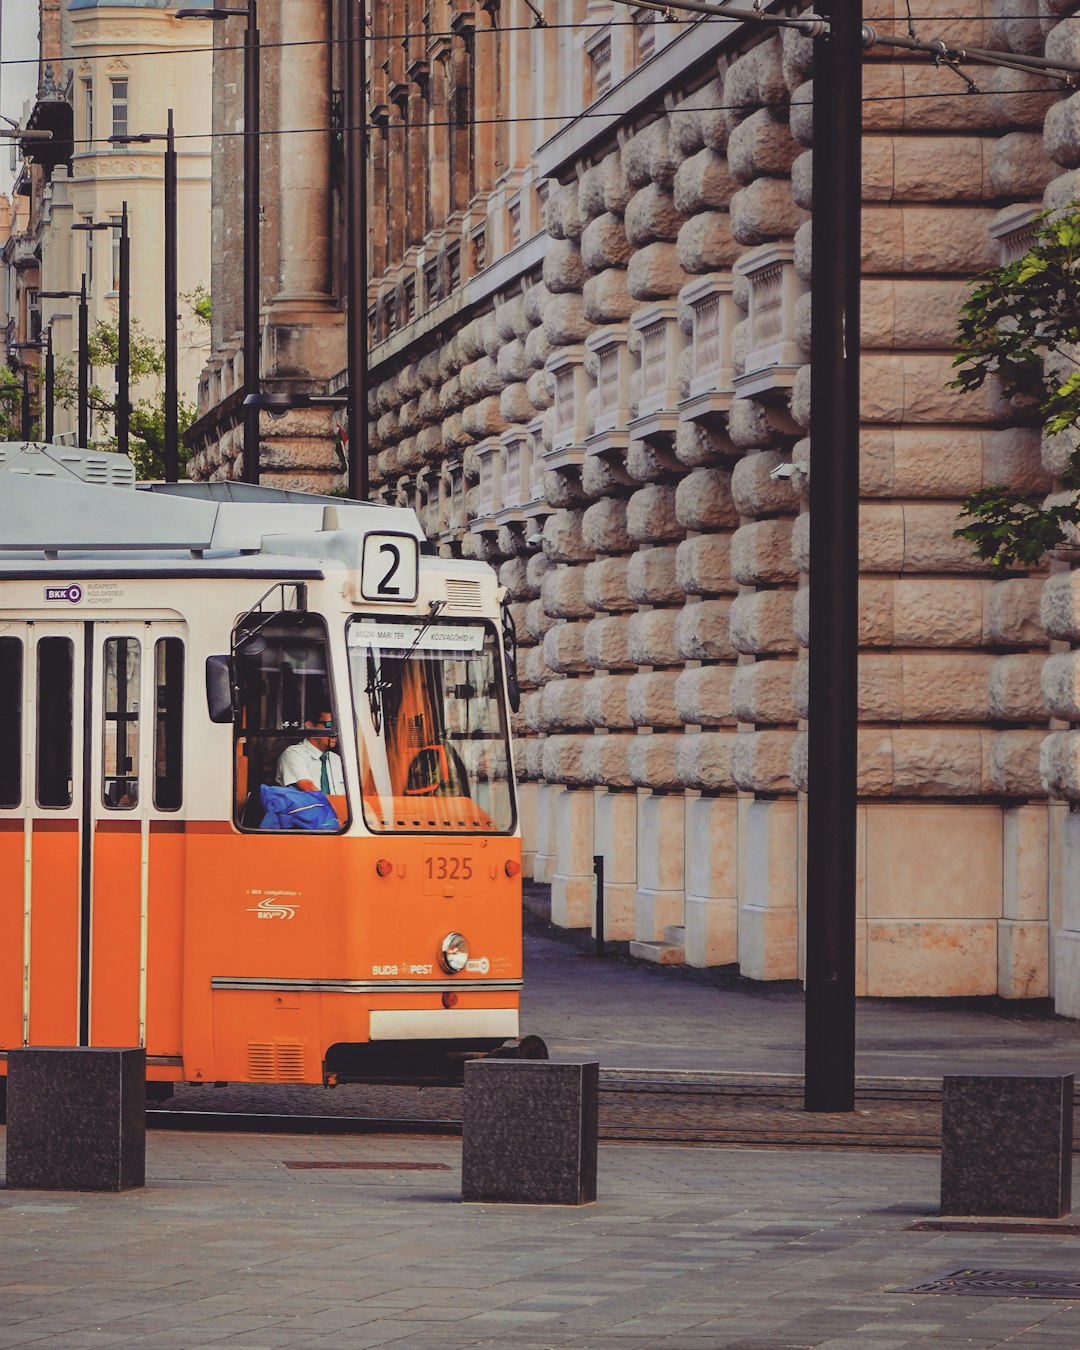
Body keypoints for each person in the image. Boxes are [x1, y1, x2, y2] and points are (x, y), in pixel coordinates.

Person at [276, 712, 345, 795]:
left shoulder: (335, 759)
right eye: (329, 725)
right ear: (310, 726)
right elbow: (308, 788)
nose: (334, 732)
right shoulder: (294, 754)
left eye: (337, 727)